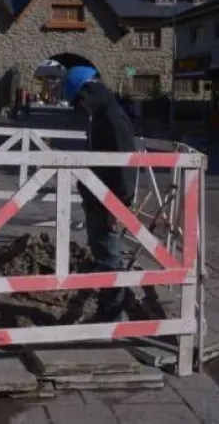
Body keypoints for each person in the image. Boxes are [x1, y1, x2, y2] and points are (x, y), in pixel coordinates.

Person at [62, 65, 140, 323]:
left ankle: (111, 314)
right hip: (98, 199)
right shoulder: (101, 116)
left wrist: (118, 207)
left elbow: (126, 165)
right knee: (103, 253)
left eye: (77, 104)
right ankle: (109, 307)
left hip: (108, 202)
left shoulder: (112, 117)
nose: (78, 110)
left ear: (86, 94)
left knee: (109, 256)